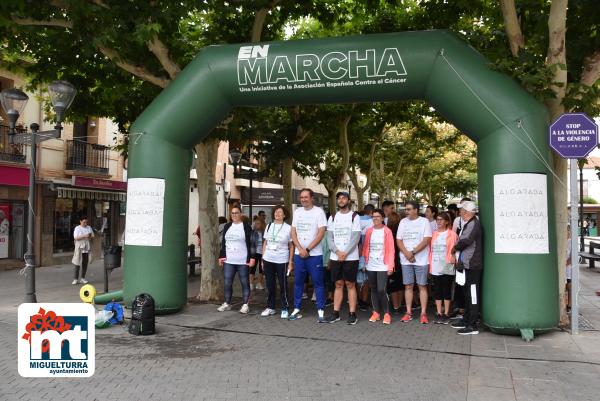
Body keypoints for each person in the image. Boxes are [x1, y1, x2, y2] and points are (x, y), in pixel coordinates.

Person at [289, 188, 328, 321]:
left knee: (318, 283)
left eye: (306, 197)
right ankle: (296, 308)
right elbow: (293, 232)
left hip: (314, 255)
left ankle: (321, 310)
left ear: (312, 198)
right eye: (302, 197)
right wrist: (300, 249)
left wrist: (308, 250)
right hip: (299, 254)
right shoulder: (297, 212)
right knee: (298, 282)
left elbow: (321, 233)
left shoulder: (319, 212)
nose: (303, 199)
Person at [324, 191, 362, 325]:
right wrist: (337, 251)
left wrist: (345, 253)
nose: (341, 200)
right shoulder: (333, 217)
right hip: (336, 257)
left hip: (350, 257)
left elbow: (356, 237)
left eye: (343, 198)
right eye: (339, 198)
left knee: (350, 284)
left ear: (348, 201)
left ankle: (352, 313)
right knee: (338, 284)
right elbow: (329, 237)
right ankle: (335, 313)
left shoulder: (355, 216)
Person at [396, 200, 432, 324]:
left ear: (416, 210)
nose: (406, 211)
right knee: (408, 286)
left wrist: (413, 252)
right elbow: (399, 240)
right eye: (405, 209)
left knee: (422, 286)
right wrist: (407, 253)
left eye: (409, 209)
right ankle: (409, 312)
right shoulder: (403, 222)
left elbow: (426, 239)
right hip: (406, 260)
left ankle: (423, 313)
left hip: (421, 259)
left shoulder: (424, 222)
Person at [451, 201, 483, 335]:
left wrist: (454, 248)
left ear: (468, 212)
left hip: (472, 265)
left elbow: (465, 241)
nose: (460, 213)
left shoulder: (473, 224)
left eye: (462, 211)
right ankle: (466, 320)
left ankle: (472, 325)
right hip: (467, 264)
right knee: (468, 294)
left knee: (472, 294)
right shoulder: (470, 223)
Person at [217, 206, 256, 314]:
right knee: (227, 283)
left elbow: (252, 243)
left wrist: (252, 258)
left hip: (242, 261)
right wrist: (221, 256)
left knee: (244, 282)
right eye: (232, 213)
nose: (234, 215)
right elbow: (223, 243)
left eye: (236, 213)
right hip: (229, 261)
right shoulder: (227, 226)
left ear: (241, 214)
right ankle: (227, 303)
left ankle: (245, 304)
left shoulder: (246, 227)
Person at [362, 209, 395, 324]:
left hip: (383, 265)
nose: (375, 218)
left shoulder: (387, 231)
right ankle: (376, 312)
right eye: (373, 216)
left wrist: (390, 266)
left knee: (382, 289)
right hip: (370, 265)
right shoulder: (369, 231)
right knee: (374, 289)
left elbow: (391, 250)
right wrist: (364, 263)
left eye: (377, 216)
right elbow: (365, 248)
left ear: (382, 218)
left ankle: (386, 313)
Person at [261, 205, 294, 318]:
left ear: (284, 215)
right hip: (268, 258)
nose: (277, 214)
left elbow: (291, 246)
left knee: (283, 284)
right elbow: (265, 242)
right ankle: (271, 307)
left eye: (280, 212)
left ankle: (285, 307)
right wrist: (263, 258)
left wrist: (290, 262)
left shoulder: (288, 228)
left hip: (282, 259)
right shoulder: (269, 226)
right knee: (270, 284)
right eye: (276, 212)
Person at [429, 212, 459, 324]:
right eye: (437, 219)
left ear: (447, 221)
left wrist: (453, 256)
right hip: (435, 264)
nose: (439, 222)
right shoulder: (433, 234)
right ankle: (439, 312)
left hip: (447, 264)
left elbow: (457, 248)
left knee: (446, 289)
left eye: (441, 220)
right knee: (437, 289)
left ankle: (446, 313)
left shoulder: (452, 234)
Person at [387, 211, 404, 314]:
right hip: (401, 260)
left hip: (391, 261)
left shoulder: (387, 233)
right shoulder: (401, 233)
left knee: (393, 285)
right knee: (401, 284)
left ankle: (395, 306)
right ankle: (400, 304)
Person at [72, 216, 94, 285]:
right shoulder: (77, 228)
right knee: (77, 262)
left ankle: (82, 278)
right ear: (80, 221)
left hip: (87, 247)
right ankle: (75, 279)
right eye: (84, 222)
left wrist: (89, 236)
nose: (85, 224)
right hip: (79, 247)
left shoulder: (89, 227)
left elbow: (92, 236)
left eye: (86, 222)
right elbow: (75, 237)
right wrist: (84, 236)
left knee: (85, 263)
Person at [250, 219, 265, 291]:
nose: (257, 225)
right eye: (256, 223)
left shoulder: (264, 232)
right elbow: (251, 243)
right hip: (254, 252)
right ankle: (251, 284)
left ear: (261, 224)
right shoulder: (252, 232)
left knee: (261, 269)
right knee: (252, 268)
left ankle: (259, 283)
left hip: (262, 252)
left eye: (259, 223)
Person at [566, 225, 572, 312]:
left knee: (569, 285)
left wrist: (566, 263)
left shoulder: (571, 242)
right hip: (562, 267)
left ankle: (570, 304)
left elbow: (573, 257)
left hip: (568, 268)